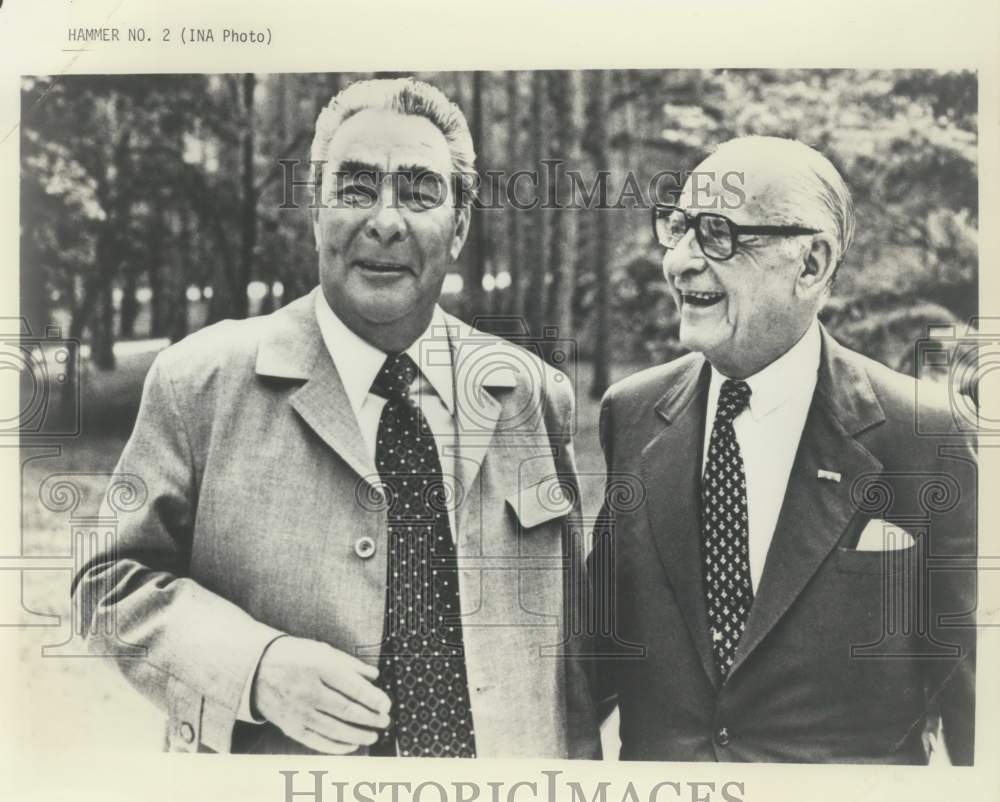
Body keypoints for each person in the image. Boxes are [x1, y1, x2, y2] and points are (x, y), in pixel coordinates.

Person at [73, 77, 600, 758]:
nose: (385, 219)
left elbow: (573, 658)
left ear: (461, 226)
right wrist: (256, 669)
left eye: (419, 192)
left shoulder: (529, 392)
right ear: (317, 212)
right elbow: (106, 583)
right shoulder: (199, 382)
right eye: (356, 188)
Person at [590, 135, 976, 764]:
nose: (681, 262)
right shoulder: (631, 414)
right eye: (679, 227)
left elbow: (975, 699)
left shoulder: (920, 432)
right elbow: (593, 655)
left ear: (812, 263)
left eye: (718, 233)